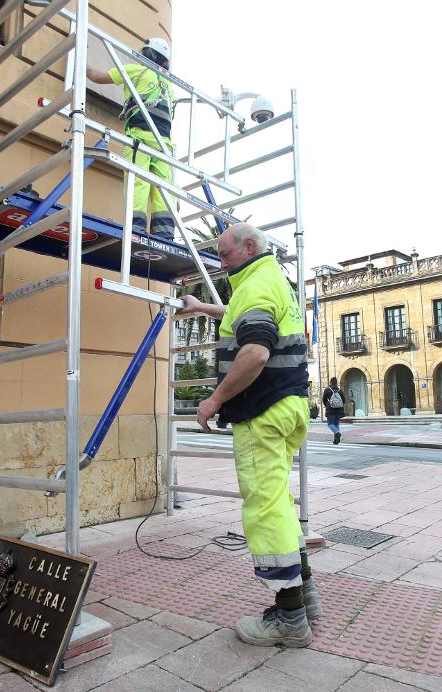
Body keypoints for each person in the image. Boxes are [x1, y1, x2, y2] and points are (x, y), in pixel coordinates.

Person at [177, 223, 322, 648]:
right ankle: (306, 597)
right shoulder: (269, 280)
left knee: (264, 508)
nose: (220, 264)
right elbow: (243, 316)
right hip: (289, 404)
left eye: (224, 255)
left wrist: (214, 400)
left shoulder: (257, 285)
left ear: (250, 247)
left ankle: (290, 618)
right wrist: (204, 307)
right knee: (278, 502)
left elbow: (255, 350)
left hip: (263, 409)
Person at [86, 38, 175, 240]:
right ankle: (165, 233)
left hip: (140, 137)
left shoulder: (137, 71)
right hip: (163, 145)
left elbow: (96, 77)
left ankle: (136, 228)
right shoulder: (169, 85)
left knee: (138, 182)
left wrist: (79, 51)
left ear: (148, 56)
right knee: (163, 189)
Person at [322, 376, 346, 444]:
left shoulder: (327, 390)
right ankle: (336, 439)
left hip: (330, 410)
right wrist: (339, 405)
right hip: (339, 410)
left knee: (330, 424)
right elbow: (344, 400)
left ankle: (337, 433)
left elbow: (324, 399)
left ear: (331, 382)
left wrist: (327, 405)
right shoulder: (340, 390)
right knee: (336, 424)